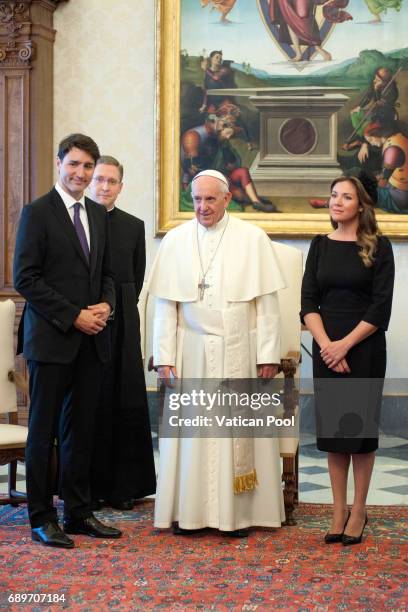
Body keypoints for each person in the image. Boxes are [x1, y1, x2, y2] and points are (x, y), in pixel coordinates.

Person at [148, 169, 286, 536]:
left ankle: (236, 516)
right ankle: (189, 514)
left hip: (237, 345)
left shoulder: (252, 238)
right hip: (190, 348)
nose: (202, 207)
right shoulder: (175, 241)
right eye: (196, 199)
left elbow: (267, 304)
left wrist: (267, 353)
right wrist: (163, 356)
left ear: (226, 199)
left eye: (210, 199)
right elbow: (165, 305)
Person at [13, 134, 122, 548]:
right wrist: (73, 315)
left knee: (81, 431)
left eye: (88, 167)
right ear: (60, 163)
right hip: (52, 340)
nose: (81, 173)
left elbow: (108, 275)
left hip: (92, 341)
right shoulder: (37, 213)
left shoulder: (97, 213)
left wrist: (105, 308)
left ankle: (77, 513)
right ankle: (42, 517)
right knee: (43, 433)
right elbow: (26, 278)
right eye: (74, 164)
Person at [301, 169, 394, 546]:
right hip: (327, 344)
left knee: (359, 435)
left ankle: (359, 509)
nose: (336, 202)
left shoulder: (379, 246)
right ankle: (338, 510)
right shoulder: (319, 245)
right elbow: (308, 302)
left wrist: (344, 346)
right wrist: (327, 345)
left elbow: (380, 306)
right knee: (335, 435)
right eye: (333, 195)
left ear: (362, 205)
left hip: (364, 347)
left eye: (345, 197)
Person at [88, 156, 156, 510]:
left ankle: (125, 487)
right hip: (87, 323)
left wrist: (119, 308)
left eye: (111, 181)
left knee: (126, 399)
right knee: (93, 401)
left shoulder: (133, 225)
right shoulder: (79, 221)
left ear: (120, 186)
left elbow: (137, 275)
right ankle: (89, 488)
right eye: (99, 179)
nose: (104, 186)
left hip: (125, 321)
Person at [181, 115, 277, 212]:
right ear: (219, 132)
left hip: (225, 175)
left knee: (243, 171)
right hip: (213, 179)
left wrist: (229, 158)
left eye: (230, 135)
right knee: (239, 195)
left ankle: (257, 202)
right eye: (226, 134)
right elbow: (199, 167)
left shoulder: (225, 144)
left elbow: (231, 162)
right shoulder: (209, 144)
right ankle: (253, 199)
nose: (228, 137)